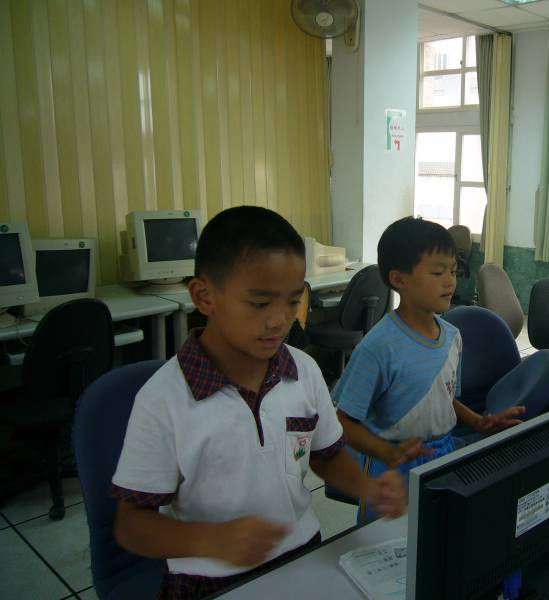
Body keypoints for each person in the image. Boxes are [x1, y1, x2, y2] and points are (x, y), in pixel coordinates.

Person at [111, 206, 406, 600]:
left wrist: (367, 488)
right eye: (260, 303)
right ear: (204, 296)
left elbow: (327, 455)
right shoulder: (163, 399)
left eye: (292, 301)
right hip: (208, 577)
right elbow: (132, 524)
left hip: (301, 553)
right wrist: (213, 540)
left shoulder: (303, 371)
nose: (280, 321)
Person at [333, 216, 524, 522]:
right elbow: (344, 421)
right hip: (393, 465)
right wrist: (386, 452)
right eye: (438, 272)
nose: (450, 282)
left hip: (443, 454)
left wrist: (479, 422)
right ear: (399, 279)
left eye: (453, 271)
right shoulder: (379, 347)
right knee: (390, 542)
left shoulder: (452, 337)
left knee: (439, 533)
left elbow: (443, 397)